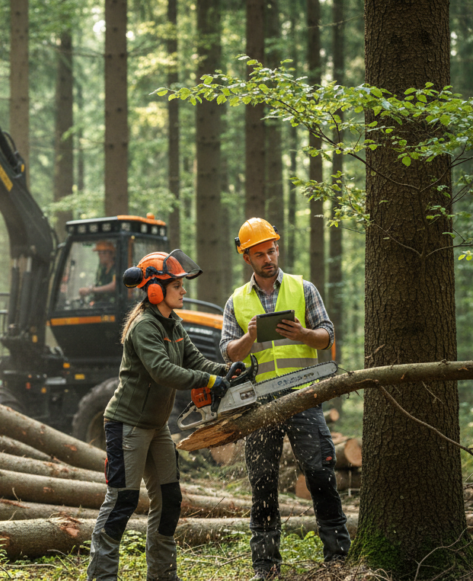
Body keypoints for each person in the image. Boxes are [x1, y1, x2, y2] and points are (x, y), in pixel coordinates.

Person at [86, 250, 232, 581]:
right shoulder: (144, 327)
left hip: (156, 427)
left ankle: (163, 576)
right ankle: (101, 576)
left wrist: (226, 371)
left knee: (169, 500)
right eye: (177, 285)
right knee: (122, 501)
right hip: (127, 425)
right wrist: (210, 381)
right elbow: (163, 371)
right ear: (155, 289)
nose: (183, 290)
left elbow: (196, 361)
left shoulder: (174, 323)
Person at [219, 218, 350, 580]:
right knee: (262, 483)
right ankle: (265, 565)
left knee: (321, 474)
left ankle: (337, 556)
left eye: (271, 250)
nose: (268, 258)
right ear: (247, 257)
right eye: (259, 253)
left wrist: (304, 333)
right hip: (258, 402)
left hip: (303, 394)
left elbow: (326, 335)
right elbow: (228, 352)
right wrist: (249, 339)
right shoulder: (237, 300)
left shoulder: (302, 288)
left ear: (278, 248)